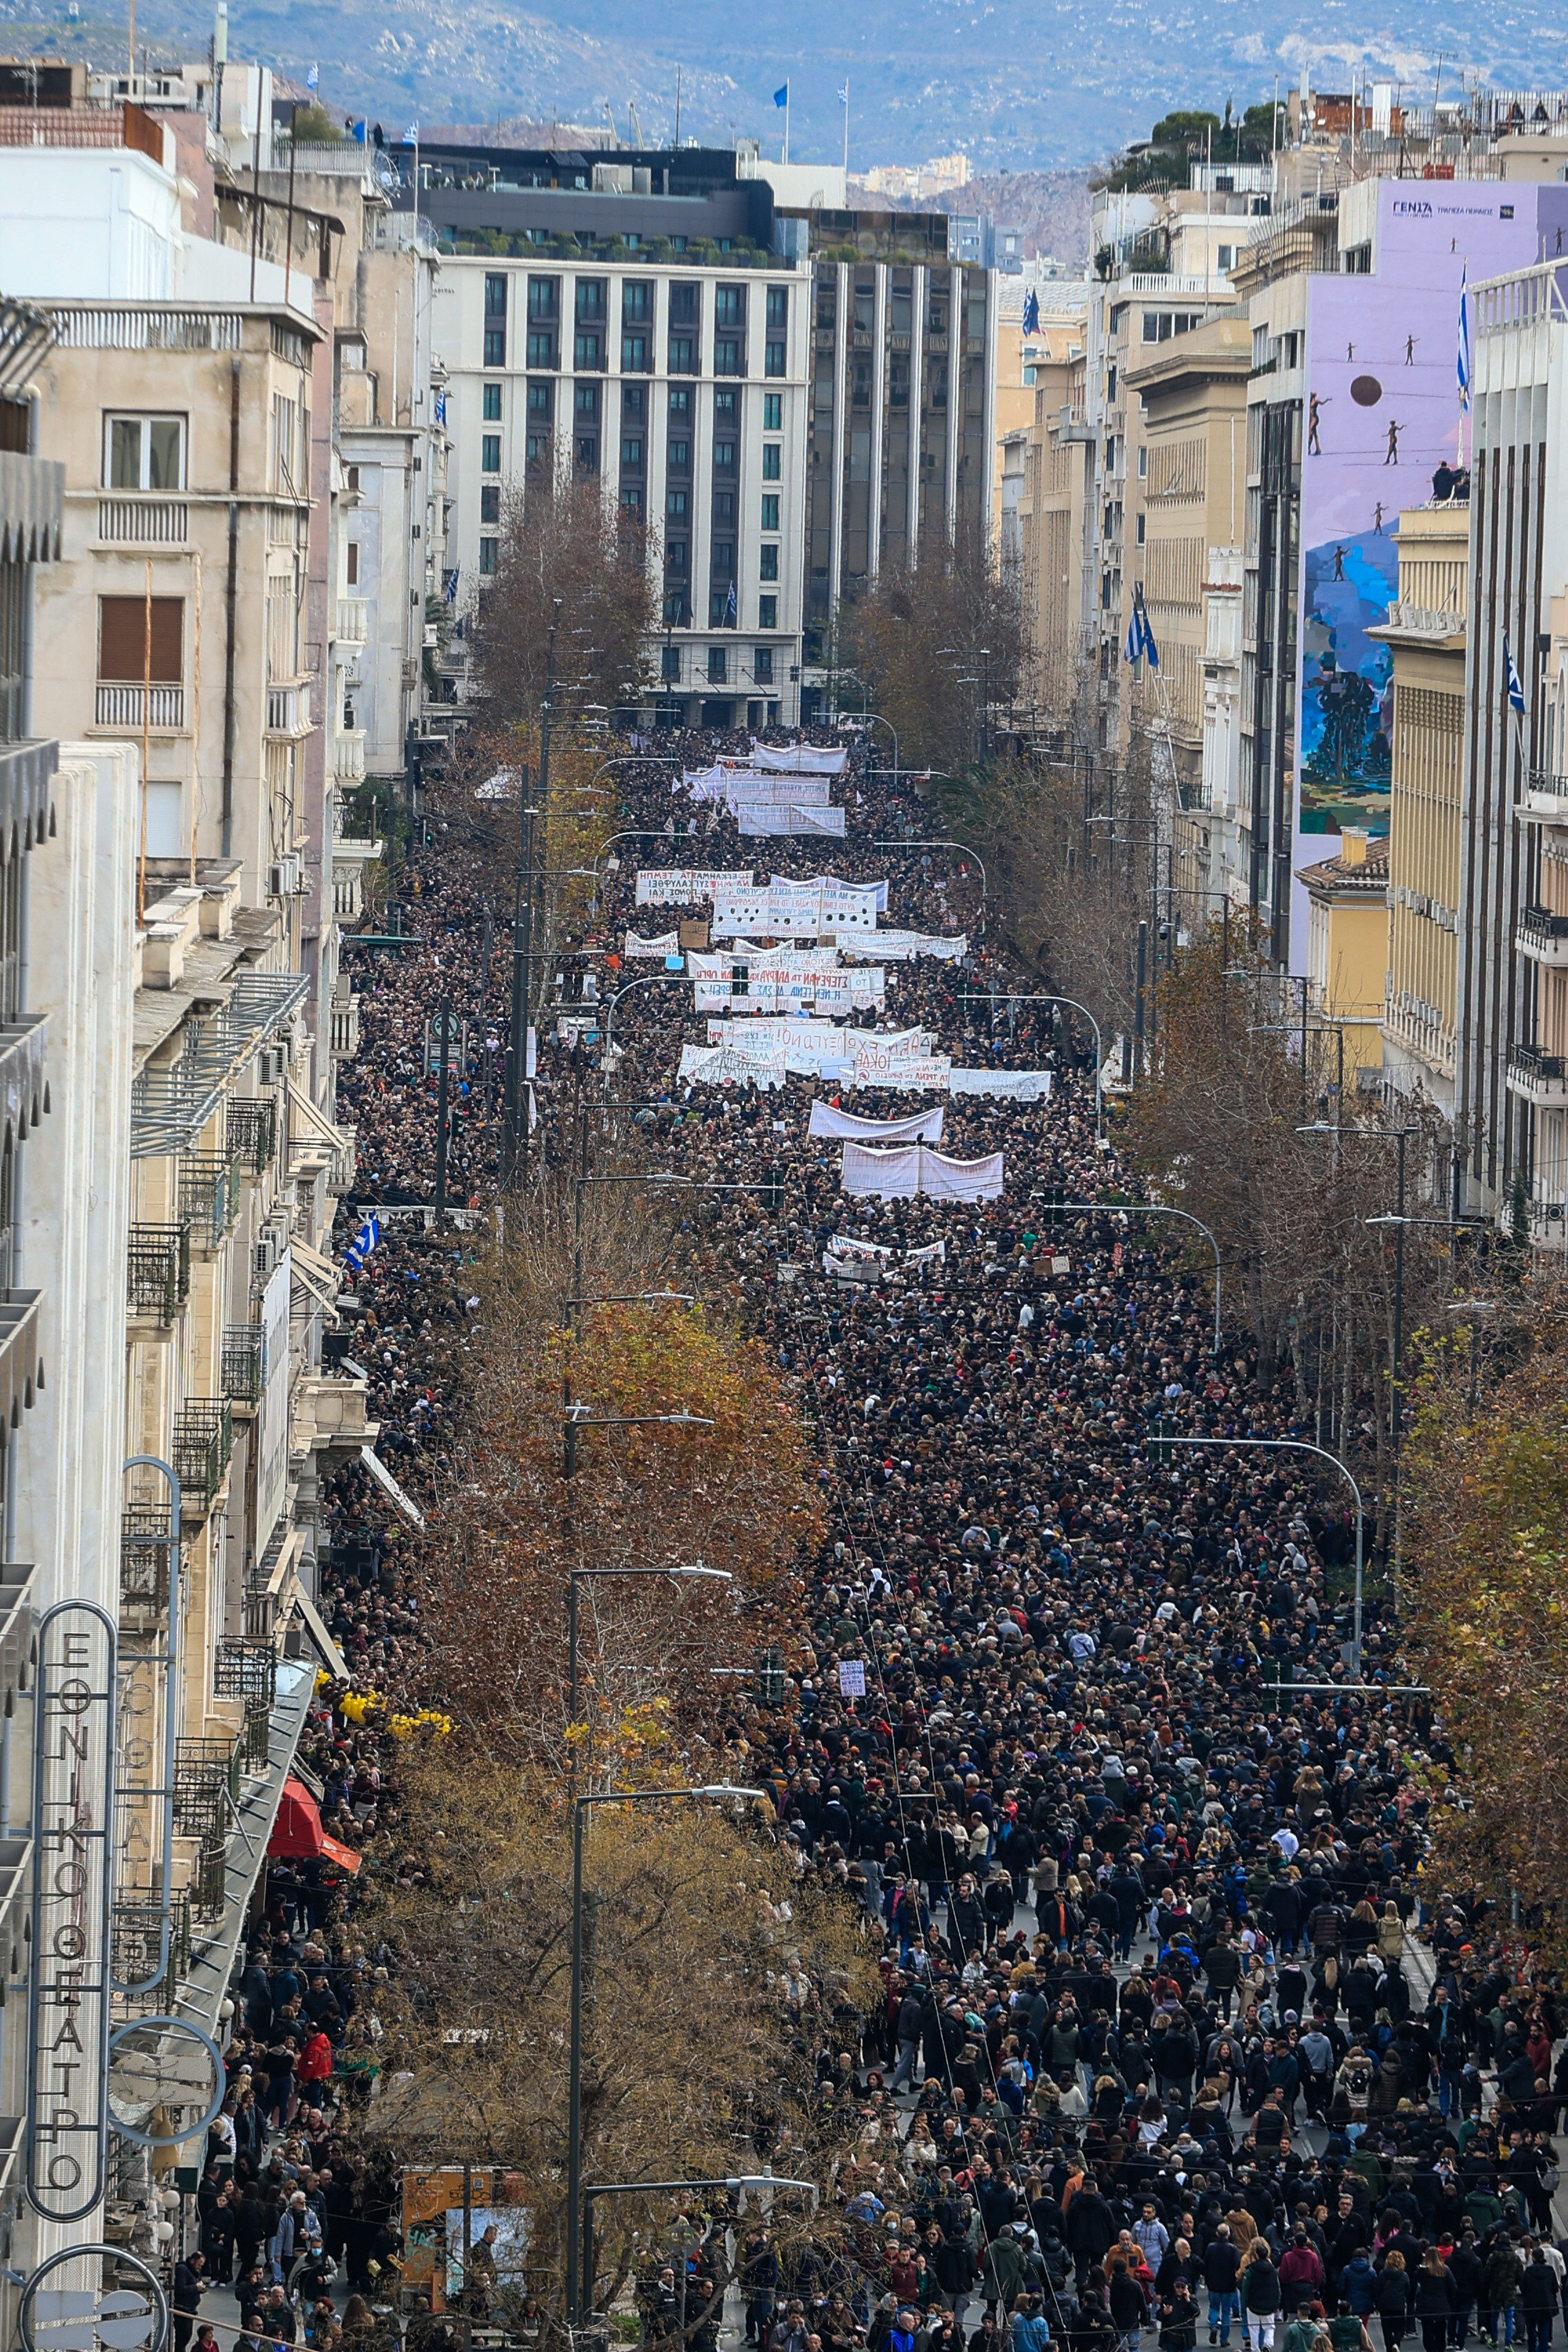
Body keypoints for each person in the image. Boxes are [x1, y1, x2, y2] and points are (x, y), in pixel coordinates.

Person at [1241, 2243, 1283, 2352]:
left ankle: (1255, 2349)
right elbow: (1278, 2289)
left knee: (1254, 2329)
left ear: (1256, 2255)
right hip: (1269, 2306)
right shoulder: (1273, 2271)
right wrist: (1277, 2304)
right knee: (1269, 2328)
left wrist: (1245, 2303)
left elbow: (1246, 2289)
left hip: (1253, 2305)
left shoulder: (1250, 2271)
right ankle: (1267, 2345)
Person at [1517, 2248, 1557, 2352]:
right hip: (1546, 2303)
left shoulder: (1528, 2271)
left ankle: (1532, 2348)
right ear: (1543, 2257)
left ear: (1533, 2258)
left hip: (1531, 2303)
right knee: (1544, 2328)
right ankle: (1543, 2349)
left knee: (1531, 2328)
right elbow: (1555, 2287)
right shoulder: (1550, 2270)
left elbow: (1523, 2287)